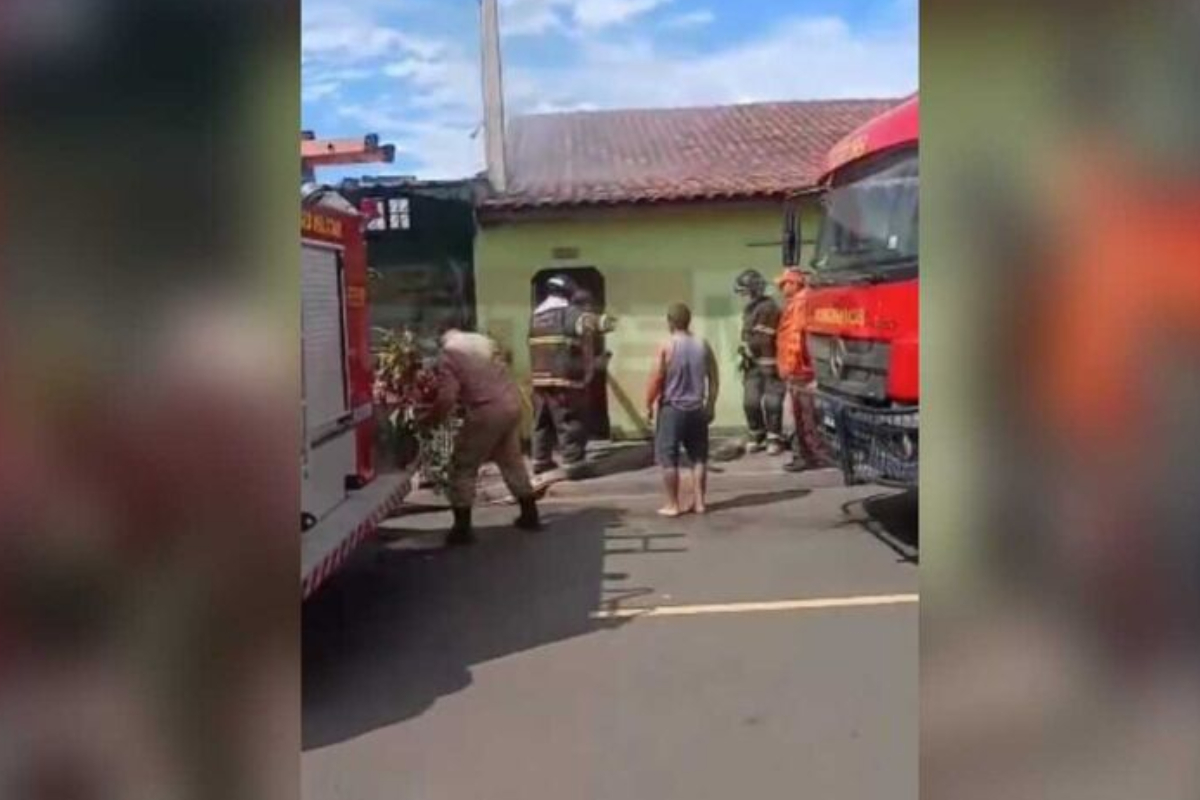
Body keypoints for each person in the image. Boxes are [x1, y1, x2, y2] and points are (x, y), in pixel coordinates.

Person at [429, 328, 541, 545]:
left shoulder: (449, 355)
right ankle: (530, 514)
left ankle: (462, 529)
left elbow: (447, 396)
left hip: (486, 411)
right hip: (511, 405)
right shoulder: (485, 341)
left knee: (463, 466)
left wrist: (433, 418)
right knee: (512, 461)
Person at [528, 275, 617, 474]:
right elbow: (595, 323)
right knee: (570, 420)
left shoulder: (536, 317)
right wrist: (608, 322)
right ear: (568, 293)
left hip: (539, 380)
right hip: (564, 379)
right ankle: (574, 463)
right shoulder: (569, 314)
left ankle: (540, 460)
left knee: (542, 422)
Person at [645, 302, 720, 517]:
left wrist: (648, 404)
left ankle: (672, 504)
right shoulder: (702, 344)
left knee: (669, 459)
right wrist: (711, 404)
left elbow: (656, 379)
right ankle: (699, 503)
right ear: (689, 320)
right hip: (697, 409)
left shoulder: (666, 346)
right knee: (699, 457)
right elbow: (714, 377)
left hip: (672, 409)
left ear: (670, 321)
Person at [733, 268, 785, 454]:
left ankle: (774, 439)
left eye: (745, 291)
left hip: (770, 364)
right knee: (751, 402)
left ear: (754, 289)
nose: (743, 295)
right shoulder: (751, 308)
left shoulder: (769, 308)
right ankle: (757, 434)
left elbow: (763, 338)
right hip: (753, 365)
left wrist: (748, 347)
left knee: (772, 403)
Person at [775, 268, 822, 472]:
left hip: (799, 372)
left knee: (801, 415)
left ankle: (806, 455)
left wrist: (791, 370)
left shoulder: (800, 304)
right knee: (804, 415)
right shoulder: (799, 302)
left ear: (794, 284)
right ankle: (810, 453)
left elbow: (795, 339)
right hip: (800, 371)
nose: (781, 288)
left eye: (784, 284)